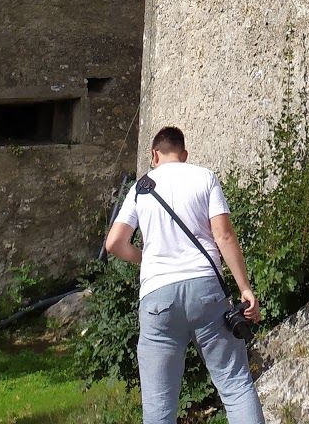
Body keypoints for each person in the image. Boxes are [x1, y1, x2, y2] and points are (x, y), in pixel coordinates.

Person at [105, 126, 265, 424]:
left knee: (159, 408)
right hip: (205, 289)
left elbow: (114, 243)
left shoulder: (140, 188)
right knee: (235, 386)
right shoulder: (203, 176)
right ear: (185, 154)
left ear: (154, 155)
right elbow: (224, 236)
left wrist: (147, 260)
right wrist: (245, 287)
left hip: (157, 297)